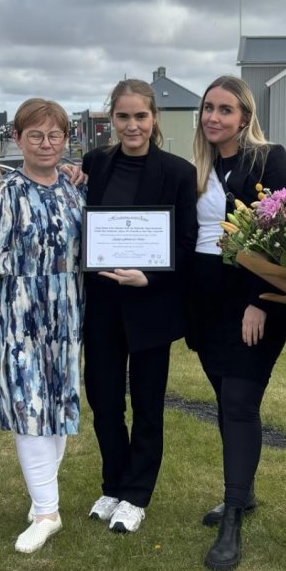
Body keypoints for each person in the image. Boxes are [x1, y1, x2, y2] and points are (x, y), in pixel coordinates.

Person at [188, 75, 286, 571]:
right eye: (208, 108)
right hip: (205, 300)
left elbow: (284, 232)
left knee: (239, 400)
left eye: (225, 110)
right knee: (223, 397)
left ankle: (233, 516)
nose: (214, 117)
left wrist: (261, 302)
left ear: (245, 117)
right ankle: (244, 493)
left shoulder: (267, 158)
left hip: (253, 302)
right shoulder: (197, 165)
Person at [0, 98, 84, 554]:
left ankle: (43, 502)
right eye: (35, 135)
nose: (46, 143)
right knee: (28, 406)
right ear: (17, 138)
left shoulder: (74, 190)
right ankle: (48, 511)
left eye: (55, 135)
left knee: (56, 404)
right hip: (19, 313)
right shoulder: (7, 191)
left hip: (68, 312)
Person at [82, 79, 198, 533]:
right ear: (111, 119)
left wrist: (150, 275)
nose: (132, 126)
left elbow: (186, 242)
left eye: (141, 116)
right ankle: (113, 484)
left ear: (154, 120)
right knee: (105, 400)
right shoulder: (96, 163)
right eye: (123, 117)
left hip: (150, 302)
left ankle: (137, 493)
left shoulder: (178, 172)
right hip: (103, 305)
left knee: (148, 403)